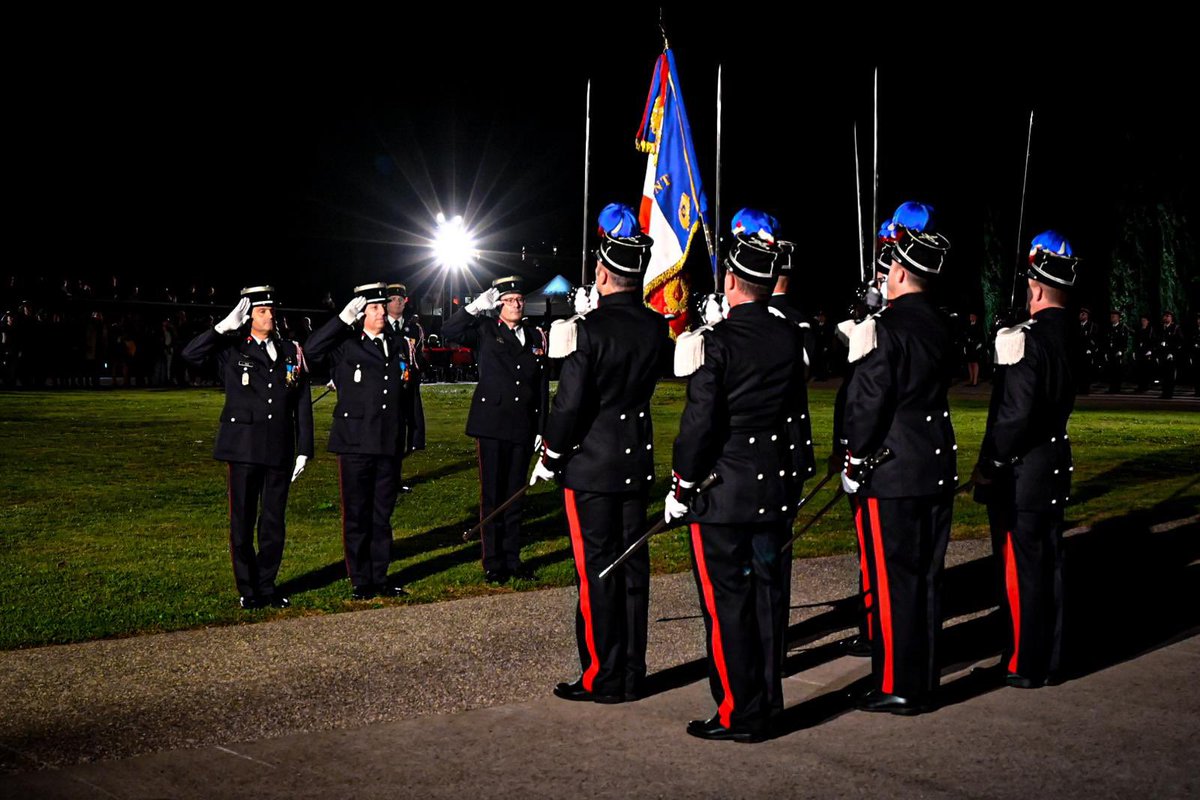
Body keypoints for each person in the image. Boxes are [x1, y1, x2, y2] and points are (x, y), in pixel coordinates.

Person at [666, 231, 814, 742]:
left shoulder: (717, 342)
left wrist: (681, 485)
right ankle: (768, 703)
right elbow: (796, 415)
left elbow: (699, 426)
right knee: (768, 600)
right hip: (772, 488)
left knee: (727, 603)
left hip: (722, 492)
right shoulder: (789, 337)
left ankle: (737, 711)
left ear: (730, 280)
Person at [531, 203, 673, 704]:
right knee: (633, 568)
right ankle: (632, 670)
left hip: (590, 465)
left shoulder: (586, 331)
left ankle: (601, 675)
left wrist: (550, 453)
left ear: (603, 271)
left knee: (597, 571)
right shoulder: (657, 329)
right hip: (636, 460)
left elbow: (569, 406)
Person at [841, 211, 958, 716]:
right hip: (935, 461)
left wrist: (854, 458)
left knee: (894, 584)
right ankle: (922, 677)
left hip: (894, 469)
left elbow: (868, 405)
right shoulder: (941, 323)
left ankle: (899, 684)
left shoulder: (886, 329)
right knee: (926, 580)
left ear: (902, 272)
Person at [973, 230, 1080, 688]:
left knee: (1021, 570)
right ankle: (1049, 658)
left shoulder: (1027, 339)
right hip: (1055, 458)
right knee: (1048, 566)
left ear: (1035, 287)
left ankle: (1023, 662)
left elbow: (1014, 415)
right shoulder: (1070, 334)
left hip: (1024, 471)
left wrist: (993, 463)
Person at [181, 286, 314, 609]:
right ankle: (248, 589)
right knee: (241, 521)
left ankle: (267, 585)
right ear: (248, 316)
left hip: (278, 448)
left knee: (273, 522)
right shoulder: (232, 349)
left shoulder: (289, 350)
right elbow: (190, 355)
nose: (269, 316)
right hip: (242, 449)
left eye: (271, 310)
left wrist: (304, 447)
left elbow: (301, 401)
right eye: (262, 311)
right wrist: (221, 328)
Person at [304, 283, 409, 599]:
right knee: (357, 514)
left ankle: (380, 575)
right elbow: (310, 350)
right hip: (354, 442)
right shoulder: (347, 345)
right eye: (374, 308)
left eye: (381, 307)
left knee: (382, 514)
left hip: (387, 442)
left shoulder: (397, 343)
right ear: (361, 314)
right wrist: (340, 320)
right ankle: (361, 579)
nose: (381, 312)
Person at [442, 275, 549, 582]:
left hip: (522, 424)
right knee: (492, 494)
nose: (516, 304)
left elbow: (541, 386)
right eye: (509, 300)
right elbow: (449, 330)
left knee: (515, 495)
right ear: (499, 304)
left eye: (519, 300)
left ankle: (512, 559)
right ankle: (492, 561)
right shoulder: (486, 330)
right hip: (492, 423)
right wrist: (475, 307)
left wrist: (542, 426)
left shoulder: (535, 335)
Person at [386, 283, 427, 460]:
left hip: (408, 384)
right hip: (386, 384)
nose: (397, 303)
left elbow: (418, 355)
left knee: (408, 421)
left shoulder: (414, 329)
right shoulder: (380, 325)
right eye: (393, 299)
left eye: (400, 300)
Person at [1102, 310, 1127, 394]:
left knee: (1117, 371)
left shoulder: (1122, 328)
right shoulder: (1109, 328)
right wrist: (1106, 352)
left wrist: (1121, 350)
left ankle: (1117, 388)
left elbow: (1124, 341)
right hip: (1110, 351)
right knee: (1111, 370)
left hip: (1118, 352)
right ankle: (1112, 388)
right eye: (1111, 316)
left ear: (1118, 318)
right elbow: (1106, 341)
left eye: (1114, 316)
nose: (1112, 318)